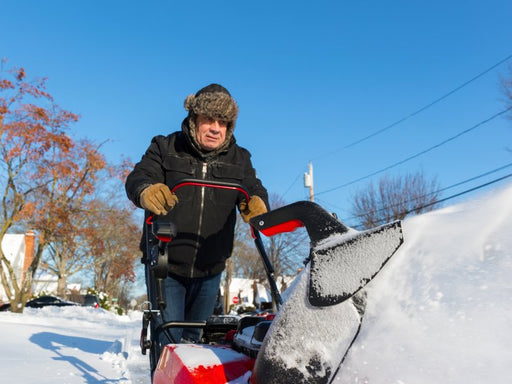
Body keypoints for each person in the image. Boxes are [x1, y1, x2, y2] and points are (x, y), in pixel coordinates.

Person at [125, 84, 268, 350]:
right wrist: (146, 190)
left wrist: (258, 203)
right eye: (209, 120)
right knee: (169, 341)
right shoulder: (165, 146)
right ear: (194, 120)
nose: (216, 128)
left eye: (223, 122)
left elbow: (254, 189)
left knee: (199, 344)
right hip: (166, 264)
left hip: (210, 266)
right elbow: (139, 177)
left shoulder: (241, 159)